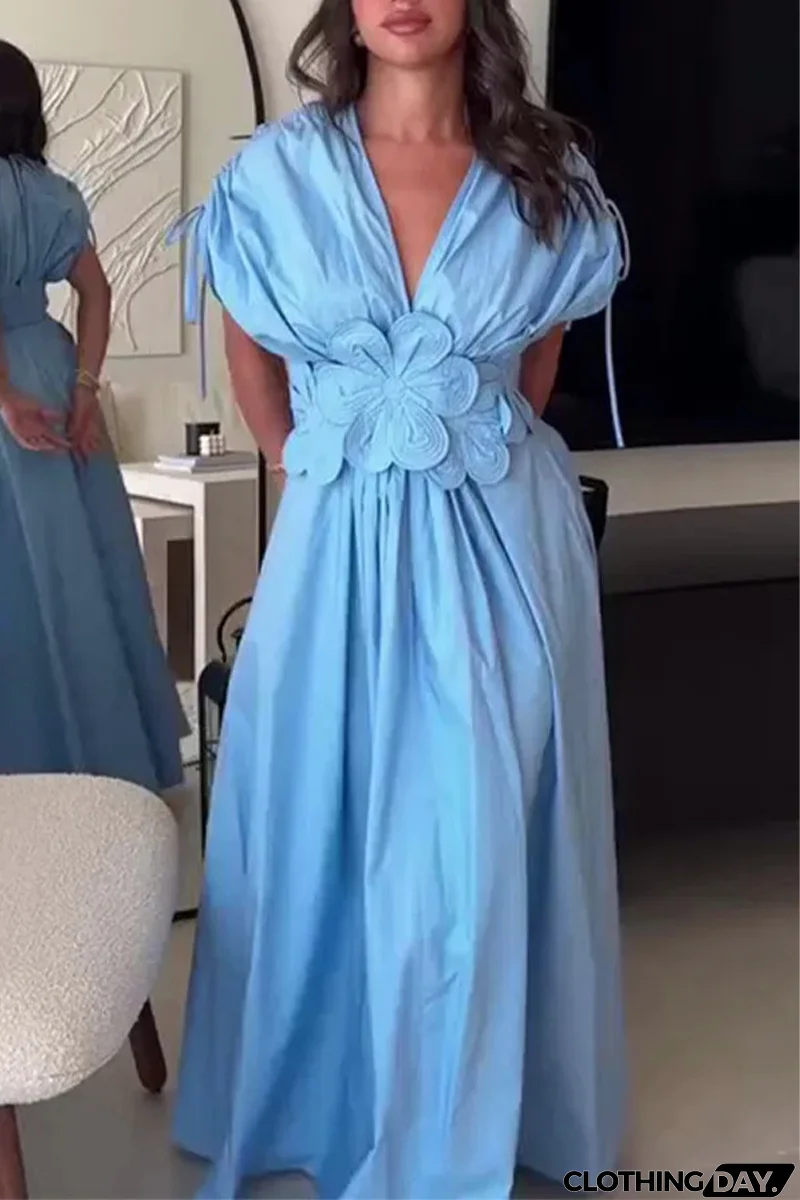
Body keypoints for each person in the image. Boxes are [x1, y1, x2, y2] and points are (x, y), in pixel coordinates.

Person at [173, 1, 626, 1196]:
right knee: (312, 814)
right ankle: (323, 1099)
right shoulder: (277, 174)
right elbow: (251, 347)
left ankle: (459, 1115)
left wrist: (442, 448)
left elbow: (533, 368)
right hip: (331, 545)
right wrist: (315, 463)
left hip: (499, 546)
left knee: (471, 837)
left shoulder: (541, 171)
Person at [0, 40, 186, 792]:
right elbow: (98, 294)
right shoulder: (55, 191)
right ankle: (102, 759)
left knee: (18, 580)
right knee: (82, 569)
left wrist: (5, 396)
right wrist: (83, 388)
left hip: (11, 383)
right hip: (51, 364)